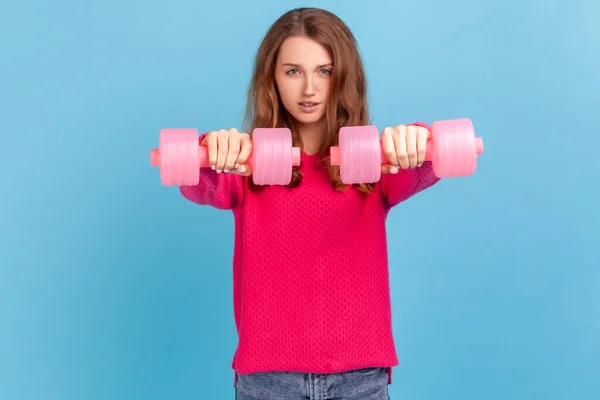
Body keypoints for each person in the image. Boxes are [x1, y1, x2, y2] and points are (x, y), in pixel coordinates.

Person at [179, 7, 440, 399]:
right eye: (292, 71)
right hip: (269, 381)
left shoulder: (374, 165)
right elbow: (196, 182)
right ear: (272, 79)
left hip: (360, 379)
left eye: (324, 70)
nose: (309, 90)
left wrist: (417, 136)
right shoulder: (246, 166)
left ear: (344, 77)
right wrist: (211, 147)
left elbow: (430, 162)